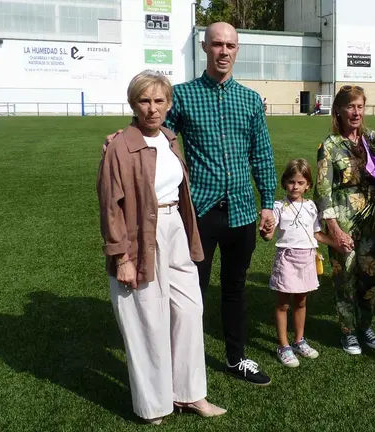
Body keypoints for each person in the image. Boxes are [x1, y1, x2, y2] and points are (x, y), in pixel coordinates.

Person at [103, 22, 276, 385]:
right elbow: (152, 124)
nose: (224, 51)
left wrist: (267, 203)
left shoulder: (249, 100)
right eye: (217, 44)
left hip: (242, 210)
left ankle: (235, 357)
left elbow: (262, 154)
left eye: (230, 45)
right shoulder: (181, 95)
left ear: (237, 49)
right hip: (198, 212)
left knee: (236, 288)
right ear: (205, 47)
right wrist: (123, 136)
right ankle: (180, 365)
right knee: (188, 292)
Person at [97, 70, 226, 425]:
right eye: (144, 101)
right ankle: (154, 406)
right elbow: (110, 206)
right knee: (148, 321)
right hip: (141, 237)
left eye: (159, 101)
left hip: (175, 230)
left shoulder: (170, 139)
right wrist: (121, 257)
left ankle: (189, 393)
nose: (152, 108)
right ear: (133, 104)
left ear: (169, 104)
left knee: (188, 309)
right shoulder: (120, 146)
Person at [313, 85, 375, 355]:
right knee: (344, 276)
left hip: (370, 220)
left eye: (359, 106)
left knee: (369, 275)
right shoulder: (329, 145)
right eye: (350, 107)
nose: (355, 112)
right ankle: (348, 331)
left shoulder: (371, 140)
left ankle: (365, 326)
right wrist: (333, 229)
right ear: (339, 110)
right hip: (342, 220)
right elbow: (322, 189)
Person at [260, 159, 347, 367]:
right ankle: (283, 345)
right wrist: (266, 230)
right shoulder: (278, 207)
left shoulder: (311, 207)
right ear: (284, 183)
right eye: (291, 182)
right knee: (283, 303)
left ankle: (299, 340)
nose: (295, 187)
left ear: (308, 185)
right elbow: (269, 236)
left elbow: (317, 234)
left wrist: (337, 243)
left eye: (300, 183)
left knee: (301, 302)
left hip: (307, 258)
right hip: (287, 258)